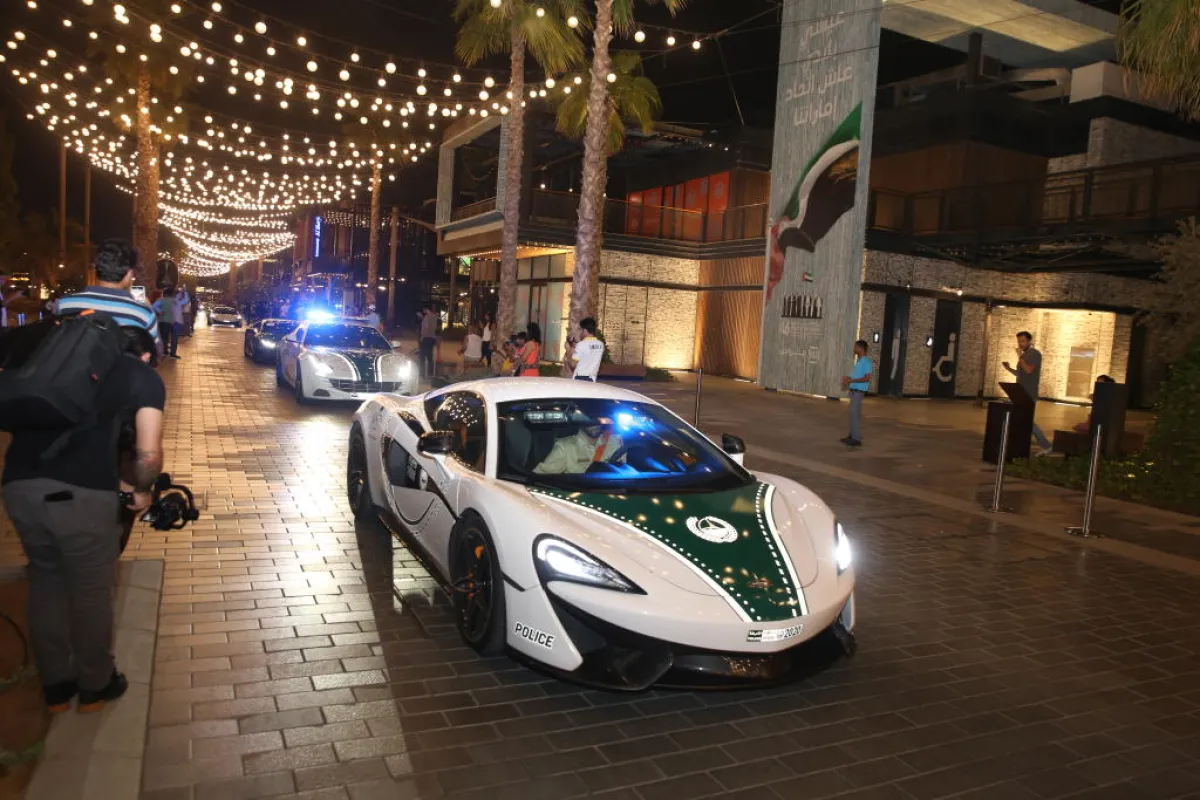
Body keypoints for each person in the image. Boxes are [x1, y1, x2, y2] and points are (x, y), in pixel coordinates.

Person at [2, 324, 165, 714]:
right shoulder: (140, 375)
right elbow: (148, 454)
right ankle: (96, 684)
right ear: (145, 354)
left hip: (19, 487)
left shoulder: (49, 362)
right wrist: (141, 490)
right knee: (91, 591)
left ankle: (57, 686)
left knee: (46, 580)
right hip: (83, 494)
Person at [54, 239, 161, 351]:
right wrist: (149, 308)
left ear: (97, 269)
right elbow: (156, 351)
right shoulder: (143, 313)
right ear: (129, 274)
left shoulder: (64, 304)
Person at [1003, 331, 1052, 454]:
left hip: (1028, 393)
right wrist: (1008, 368)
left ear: (1029, 341)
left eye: (1023, 341)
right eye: (1019, 341)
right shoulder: (1025, 355)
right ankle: (1018, 443)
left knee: (1027, 421)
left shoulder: (1034, 354)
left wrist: (1020, 357)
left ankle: (1046, 445)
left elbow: (1029, 370)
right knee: (1021, 419)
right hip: (1020, 392)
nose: (1020, 344)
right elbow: (1020, 373)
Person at [534, 421, 624, 475]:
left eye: (599, 418)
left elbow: (625, 471)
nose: (595, 423)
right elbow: (541, 477)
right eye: (590, 418)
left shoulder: (615, 442)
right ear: (581, 419)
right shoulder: (565, 447)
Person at [840, 340, 873, 447]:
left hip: (859, 392)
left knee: (854, 414)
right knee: (853, 414)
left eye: (855, 347)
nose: (854, 349)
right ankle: (852, 435)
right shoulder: (859, 361)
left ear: (860, 348)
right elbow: (856, 376)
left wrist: (851, 380)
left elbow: (867, 378)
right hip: (854, 391)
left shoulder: (866, 361)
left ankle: (856, 439)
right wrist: (848, 378)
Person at [568, 317, 605, 382]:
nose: (580, 332)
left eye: (581, 329)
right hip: (592, 379)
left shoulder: (581, 344)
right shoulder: (601, 345)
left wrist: (569, 351)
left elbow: (573, 365)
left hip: (579, 378)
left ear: (585, 330)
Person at [152, 287, 182, 359]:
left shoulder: (162, 300)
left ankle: (164, 351)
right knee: (172, 337)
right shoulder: (174, 301)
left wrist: (160, 311)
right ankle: (171, 353)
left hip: (163, 320)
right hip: (172, 321)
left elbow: (154, 306)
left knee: (164, 337)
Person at [418, 303, 438, 378]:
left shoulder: (426, 317)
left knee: (422, 357)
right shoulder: (435, 317)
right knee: (430, 357)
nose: (423, 311)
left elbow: (426, 328)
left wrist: (422, 337)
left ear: (425, 309)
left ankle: (422, 374)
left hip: (426, 339)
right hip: (432, 338)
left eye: (423, 310)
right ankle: (430, 373)